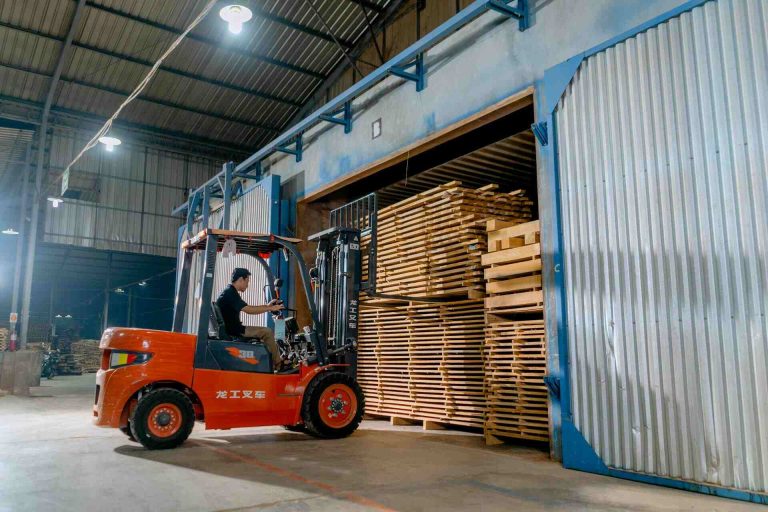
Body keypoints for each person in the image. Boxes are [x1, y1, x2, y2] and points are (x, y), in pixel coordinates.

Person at [215, 268, 284, 369]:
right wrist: (270, 308)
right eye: (247, 281)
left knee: (265, 332)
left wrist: (267, 306)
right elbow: (249, 310)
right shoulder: (230, 294)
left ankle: (272, 363)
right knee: (267, 332)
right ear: (240, 280)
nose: (247, 285)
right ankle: (278, 364)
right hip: (235, 331)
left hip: (233, 328)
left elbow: (249, 307)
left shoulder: (229, 291)